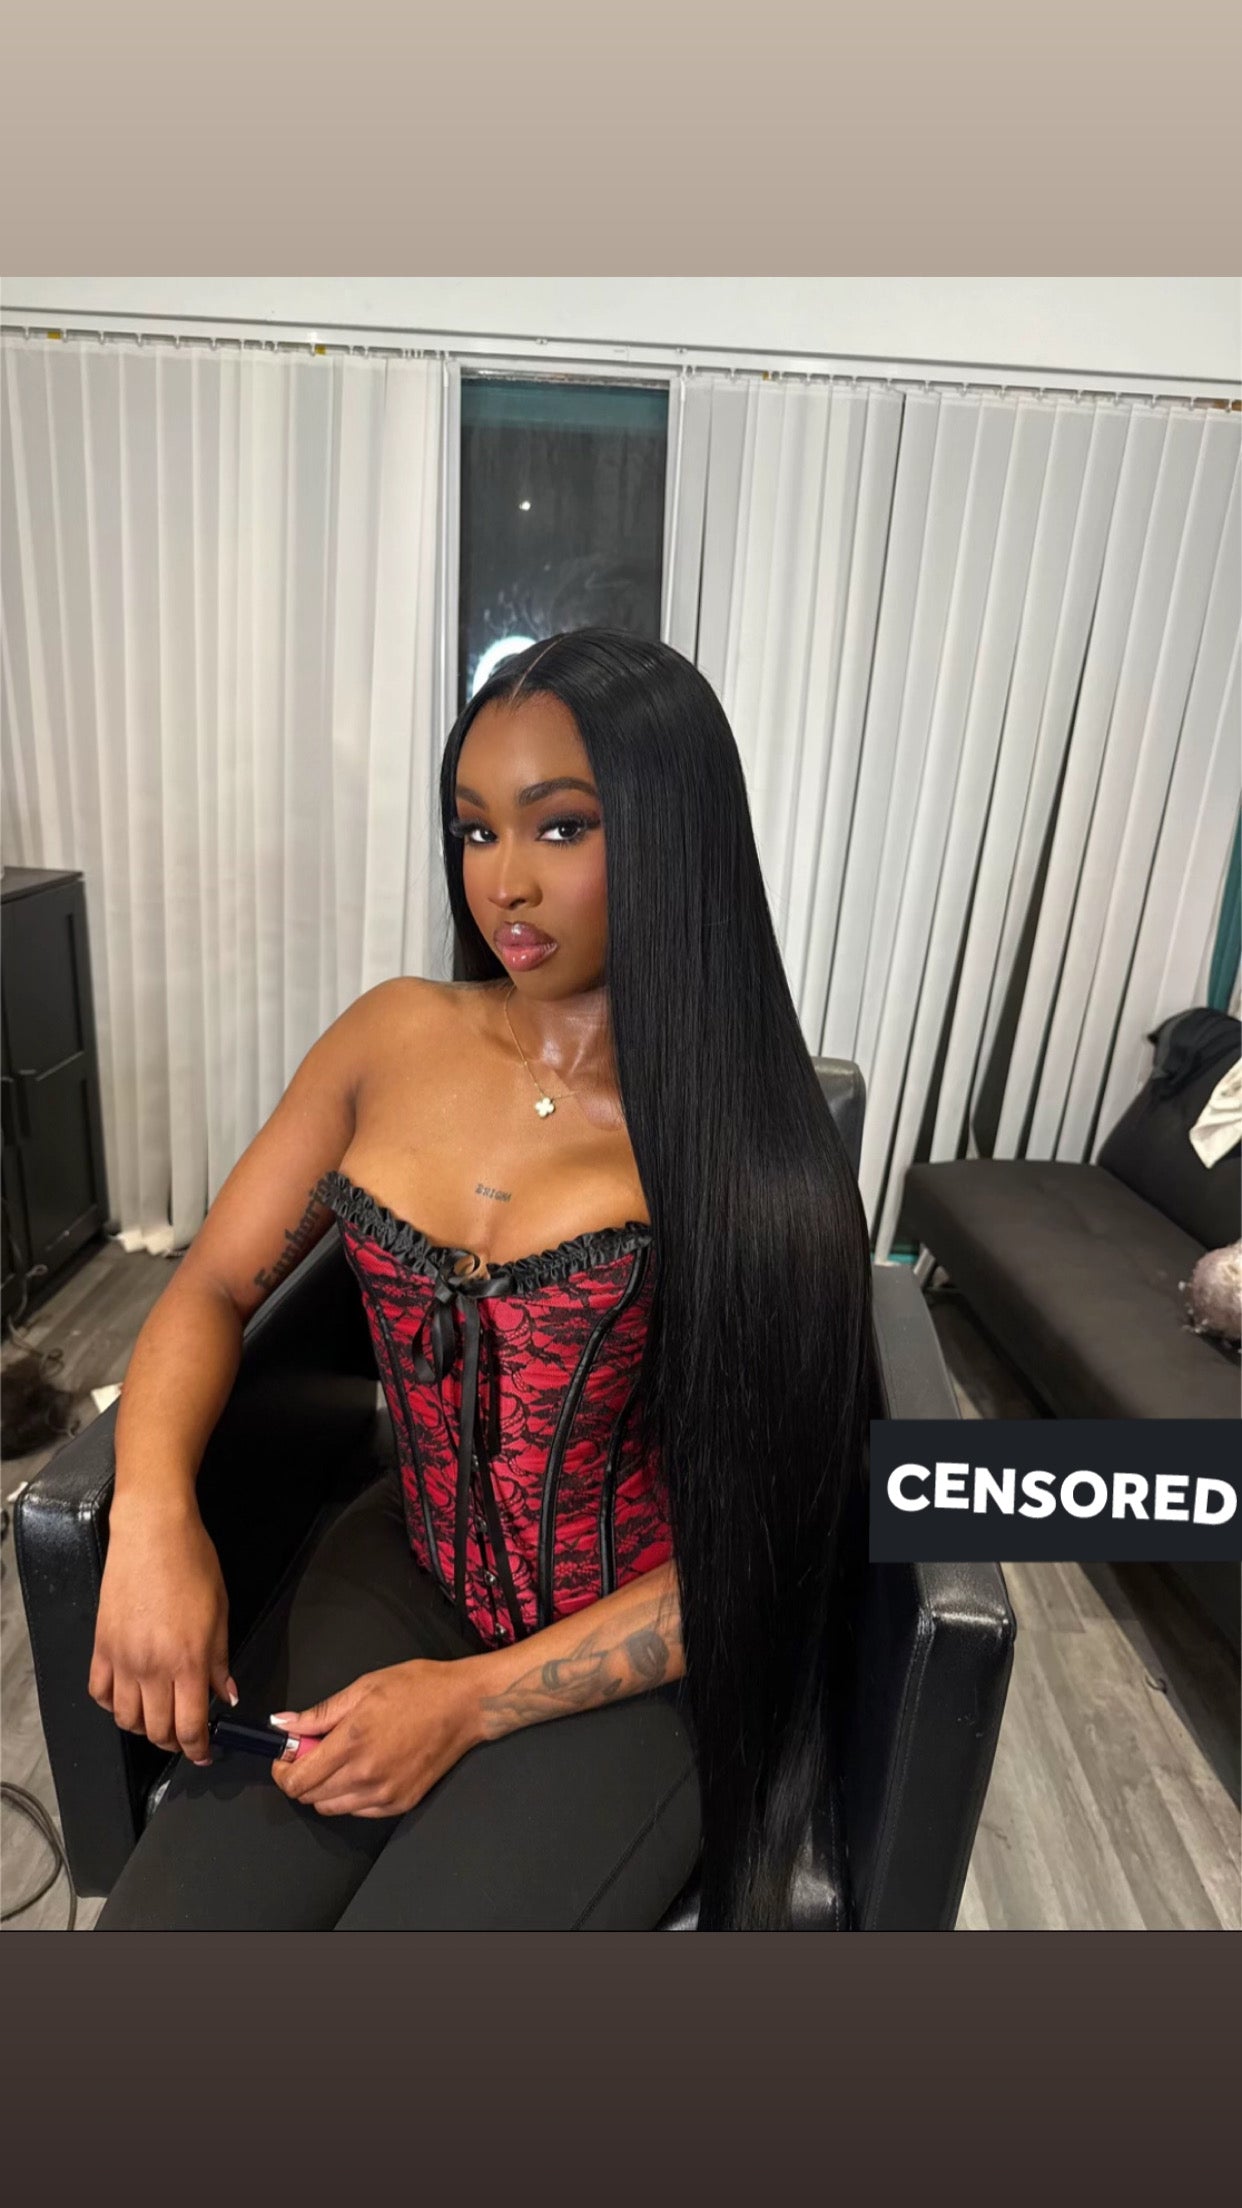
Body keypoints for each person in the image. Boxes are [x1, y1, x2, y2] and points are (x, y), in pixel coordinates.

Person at [92, 628, 876, 1931]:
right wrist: (152, 1514)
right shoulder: (393, 1034)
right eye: (474, 830)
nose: (504, 881)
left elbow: (767, 1549)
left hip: (635, 1656)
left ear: (671, 831)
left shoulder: (751, 1150)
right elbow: (215, 1285)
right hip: (399, 1563)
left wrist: (465, 1704)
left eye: (561, 828)